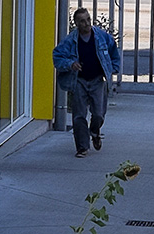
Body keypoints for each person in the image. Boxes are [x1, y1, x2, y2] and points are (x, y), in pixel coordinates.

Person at [52, 8, 121, 158]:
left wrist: (113, 68)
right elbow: (57, 57)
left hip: (97, 80)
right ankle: (82, 147)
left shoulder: (101, 37)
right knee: (79, 116)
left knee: (98, 114)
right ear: (76, 23)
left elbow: (114, 51)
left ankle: (95, 132)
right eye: (82, 21)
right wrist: (70, 64)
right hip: (79, 81)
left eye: (88, 19)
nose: (87, 23)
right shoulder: (70, 41)